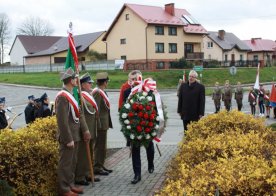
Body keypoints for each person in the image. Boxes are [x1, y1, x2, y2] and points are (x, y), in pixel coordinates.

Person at [55, 68, 91, 196]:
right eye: (75, 78)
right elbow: (62, 121)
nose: (77, 80)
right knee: (65, 164)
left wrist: (85, 130)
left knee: (72, 162)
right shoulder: (62, 97)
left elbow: (78, 114)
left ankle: (70, 184)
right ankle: (64, 189)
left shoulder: (70, 94)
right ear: (71, 80)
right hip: (68, 137)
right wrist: (68, 138)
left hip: (75, 135)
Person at [122, 70, 155, 184]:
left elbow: (153, 107)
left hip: (146, 125)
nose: (132, 82)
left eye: (134, 79)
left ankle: (150, 163)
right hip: (134, 127)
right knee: (135, 150)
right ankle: (137, 174)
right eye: (130, 79)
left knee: (149, 147)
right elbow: (123, 109)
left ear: (139, 79)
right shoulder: (127, 92)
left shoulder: (146, 91)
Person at [75, 73, 100, 186]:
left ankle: (88, 174)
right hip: (85, 131)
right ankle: (80, 176)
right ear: (83, 85)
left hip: (91, 129)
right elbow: (81, 114)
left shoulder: (88, 96)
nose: (91, 85)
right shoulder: (81, 97)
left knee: (89, 152)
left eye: (91, 83)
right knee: (83, 154)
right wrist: (85, 130)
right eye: (89, 83)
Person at [92, 72, 113, 176]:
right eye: (107, 81)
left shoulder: (101, 91)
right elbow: (96, 110)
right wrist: (98, 124)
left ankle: (100, 164)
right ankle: (97, 167)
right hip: (100, 125)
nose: (107, 83)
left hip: (103, 123)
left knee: (103, 146)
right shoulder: (97, 92)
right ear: (104, 82)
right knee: (100, 146)